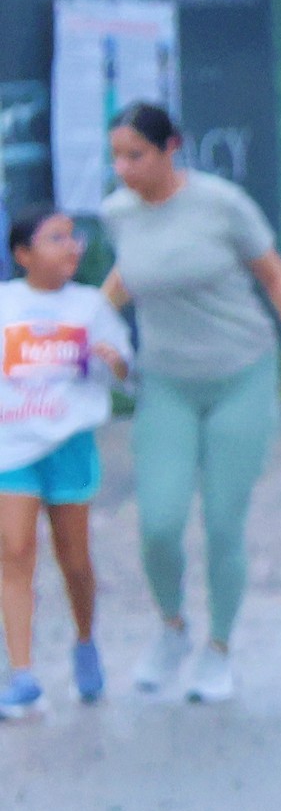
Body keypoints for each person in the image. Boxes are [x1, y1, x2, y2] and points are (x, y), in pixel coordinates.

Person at [97, 101, 281, 703]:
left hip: (240, 375)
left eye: (136, 156)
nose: (123, 169)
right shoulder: (117, 213)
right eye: (116, 157)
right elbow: (130, 274)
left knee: (223, 521)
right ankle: (173, 628)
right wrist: (84, 324)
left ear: (171, 148)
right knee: (158, 523)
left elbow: (275, 276)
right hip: (166, 383)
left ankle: (219, 649)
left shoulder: (222, 205)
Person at [0, 209, 129, 717]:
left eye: (73, 237)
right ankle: (23, 674)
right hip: (13, 446)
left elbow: (122, 368)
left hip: (69, 444)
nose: (71, 246)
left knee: (74, 559)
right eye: (55, 238)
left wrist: (113, 361)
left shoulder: (90, 306)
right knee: (14, 550)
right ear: (23, 254)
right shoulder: (6, 304)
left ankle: (85, 641)